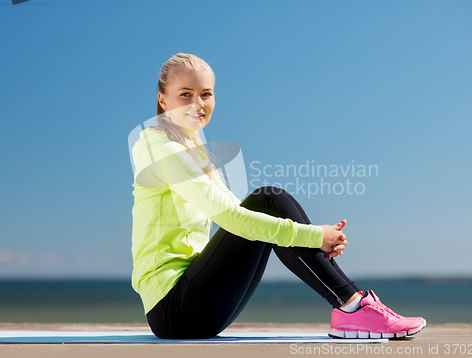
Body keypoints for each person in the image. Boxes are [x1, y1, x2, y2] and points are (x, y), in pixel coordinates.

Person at [130, 52, 426, 340]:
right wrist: (312, 236)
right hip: (174, 311)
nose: (198, 104)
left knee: (269, 202)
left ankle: (352, 304)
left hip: (197, 304)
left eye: (206, 94)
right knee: (267, 199)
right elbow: (231, 218)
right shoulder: (159, 148)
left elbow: (238, 215)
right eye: (185, 94)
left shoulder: (191, 146)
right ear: (163, 100)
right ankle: (351, 305)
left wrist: (314, 240)